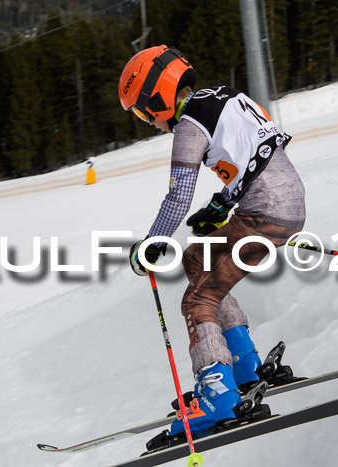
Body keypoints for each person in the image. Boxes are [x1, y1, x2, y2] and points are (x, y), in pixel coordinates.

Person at [118, 45, 306, 439]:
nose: (147, 121)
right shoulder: (226, 97)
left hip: (264, 213)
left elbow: (177, 196)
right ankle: (243, 366)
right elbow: (258, 153)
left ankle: (217, 396)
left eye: (141, 111)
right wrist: (221, 204)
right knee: (196, 259)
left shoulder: (189, 126)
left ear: (158, 95)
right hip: (281, 204)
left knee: (197, 300)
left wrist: (150, 244)